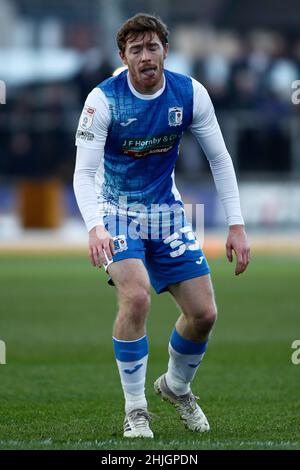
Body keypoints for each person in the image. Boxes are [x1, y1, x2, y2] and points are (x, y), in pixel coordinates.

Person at [73, 13, 250, 439]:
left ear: (165, 51)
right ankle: (136, 410)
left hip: (165, 212)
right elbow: (82, 174)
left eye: (153, 47)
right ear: (124, 57)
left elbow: (219, 159)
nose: (147, 56)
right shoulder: (103, 100)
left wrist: (237, 225)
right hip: (115, 209)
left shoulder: (190, 94)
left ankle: (176, 387)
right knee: (135, 299)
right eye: (137, 50)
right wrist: (96, 227)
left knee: (204, 314)